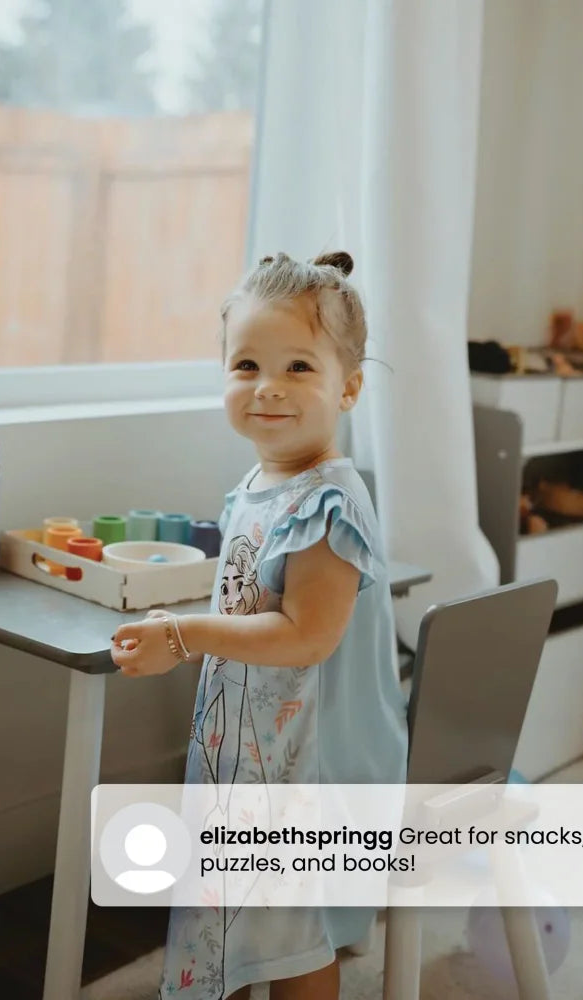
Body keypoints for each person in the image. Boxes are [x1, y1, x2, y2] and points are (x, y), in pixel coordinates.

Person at [110, 251, 409, 1000]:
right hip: (253, 751)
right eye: (246, 364)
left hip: (309, 767)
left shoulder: (326, 503)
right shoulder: (256, 487)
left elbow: (305, 635)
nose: (267, 386)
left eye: (299, 368)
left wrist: (185, 636)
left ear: (349, 387)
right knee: (237, 914)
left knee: (290, 934)